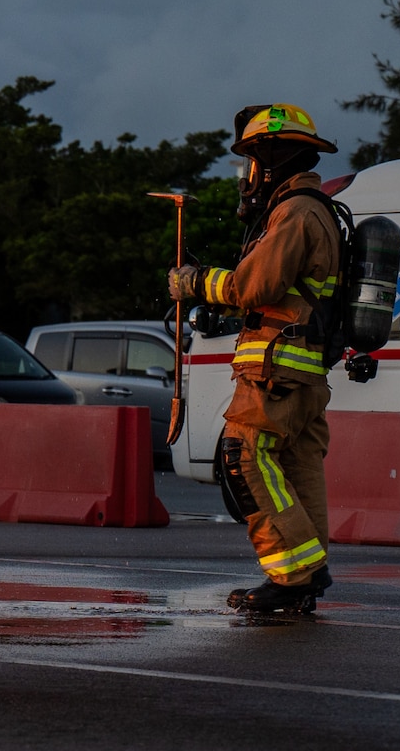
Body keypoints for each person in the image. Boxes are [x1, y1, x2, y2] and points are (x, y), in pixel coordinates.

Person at [170, 103, 344, 614]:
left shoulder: (294, 213)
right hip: (303, 374)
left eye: (251, 161)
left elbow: (255, 285)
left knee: (242, 458)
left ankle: (290, 576)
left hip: (276, 369)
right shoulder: (317, 209)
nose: (248, 176)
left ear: (272, 158)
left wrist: (196, 282)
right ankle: (309, 570)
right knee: (295, 465)